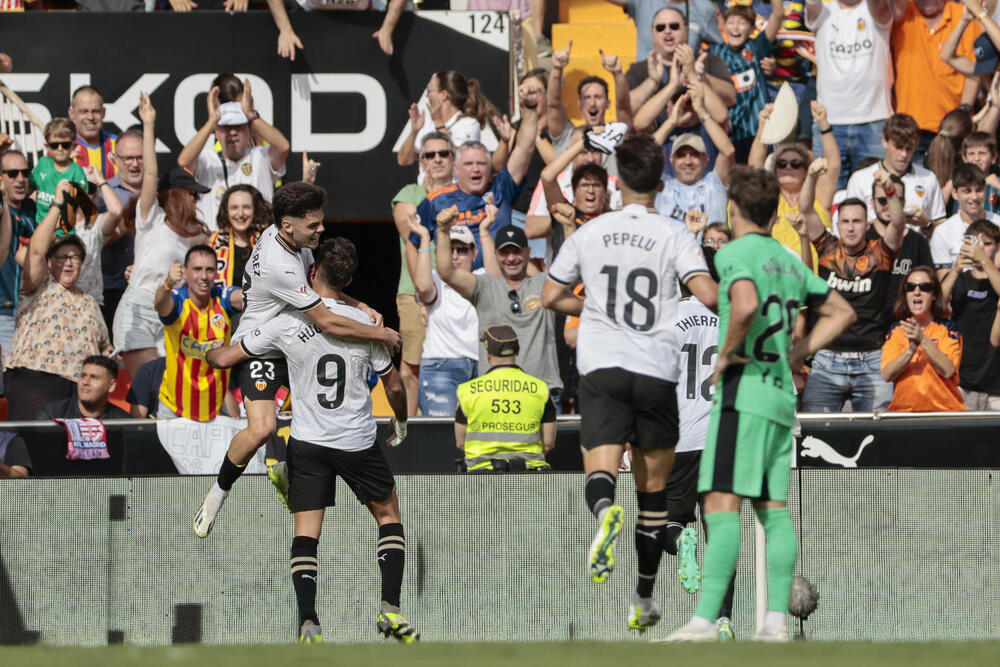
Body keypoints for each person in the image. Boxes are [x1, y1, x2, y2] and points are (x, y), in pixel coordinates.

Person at [665, 166, 855, 642]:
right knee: (773, 510)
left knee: (720, 505)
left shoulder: (733, 252)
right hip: (779, 395)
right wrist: (799, 353)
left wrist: (728, 353)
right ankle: (774, 622)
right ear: (775, 213)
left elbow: (745, 304)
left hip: (743, 392)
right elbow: (842, 312)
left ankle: (705, 622)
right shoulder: (789, 259)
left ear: (733, 209)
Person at [542, 134, 719, 633]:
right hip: (656, 371)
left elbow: (552, 295)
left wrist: (598, 309)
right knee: (655, 494)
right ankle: (644, 596)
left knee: (601, 469)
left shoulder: (590, 233)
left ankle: (603, 512)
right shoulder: (674, 234)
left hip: (602, 368)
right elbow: (707, 295)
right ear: (661, 185)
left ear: (616, 183)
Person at [206, 237, 417, 645]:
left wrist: (209, 353)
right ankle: (390, 608)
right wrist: (402, 421)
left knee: (306, 532)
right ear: (350, 279)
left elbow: (227, 357)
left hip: (308, 442)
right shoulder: (370, 329)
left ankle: (308, 622)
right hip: (355, 439)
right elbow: (393, 385)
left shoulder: (289, 320)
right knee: (389, 515)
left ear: (312, 273)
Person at [193, 182, 400, 539]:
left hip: (291, 336)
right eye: (314, 224)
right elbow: (326, 319)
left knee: (325, 404)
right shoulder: (279, 266)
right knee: (262, 428)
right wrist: (382, 333)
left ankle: (287, 464)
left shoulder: (294, 239)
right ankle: (217, 494)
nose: (321, 229)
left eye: (321, 221)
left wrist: (359, 305)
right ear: (288, 226)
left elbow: (320, 291)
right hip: (261, 343)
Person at [662, 247, 736, 640]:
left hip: (679, 438)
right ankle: (723, 618)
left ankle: (679, 539)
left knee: (664, 520)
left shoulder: (669, 320)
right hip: (722, 441)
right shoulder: (734, 321)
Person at [113, 94, 209, 379]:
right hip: (139, 307)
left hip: (172, 309)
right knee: (148, 384)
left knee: (171, 386)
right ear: (178, 194)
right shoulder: (151, 216)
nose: (196, 199)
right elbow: (151, 173)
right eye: (192, 193)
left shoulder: (198, 235)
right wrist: (149, 125)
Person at [799, 165, 906, 412]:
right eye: (845, 221)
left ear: (867, 224)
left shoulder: (881, 253)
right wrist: (812, 176)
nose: (850, 227)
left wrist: (890, 192)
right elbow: (805, 208)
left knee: (878, 438)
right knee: (817, 433)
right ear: (837, 224)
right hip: (827, 359)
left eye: (856, 221)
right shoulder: (827, 248)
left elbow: (898, 224)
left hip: (871, 359)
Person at [4, 186, 112, 421]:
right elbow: (35, 251)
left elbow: (105, 346)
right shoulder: (38, 285)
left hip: (78, 392)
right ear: (50, 262)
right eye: (62, 257)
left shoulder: (89, 302)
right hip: (36, 380)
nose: (69, 263)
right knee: (31, 451)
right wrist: (57, 206)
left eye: (75, 257)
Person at [437, 218, 563, 403]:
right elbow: (446, 272)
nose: (511, 258)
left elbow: (574, 270)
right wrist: (442, 230)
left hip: (542, 393)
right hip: (496, 396)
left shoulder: (545, 284)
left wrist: (567, 227)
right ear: (495, 254)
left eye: (516, 251)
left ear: (528, 252)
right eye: (504, 252)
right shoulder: (484, 286)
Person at [411, 100, 538, 268]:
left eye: (481, 164)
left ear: (490, 166)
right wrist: (422, 284)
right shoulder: (437, 200)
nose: (476, 169)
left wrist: (530, 108)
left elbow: (524, 149)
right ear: (456, 168)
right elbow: (413, 244)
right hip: (456, 284)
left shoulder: (501, 186)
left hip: (498, 280)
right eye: (468, 164)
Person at [392, 132, 457, 416]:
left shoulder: (465, 193)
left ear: (454, 160)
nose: (437, 159)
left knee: (457, 358)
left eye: (443, 153)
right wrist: (433, 197)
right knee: (412, 366)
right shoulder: (411, 194)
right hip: (414, 290)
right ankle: (411, 430)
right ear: (421, 162)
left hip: (456, 286)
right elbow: (409, 232)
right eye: (430, 155)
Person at [178, 79, 290, 228]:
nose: (232, 133)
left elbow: (283, 147)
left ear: (249, 129)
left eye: (238, 127)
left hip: (258, 245)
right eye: (225, 127)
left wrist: (250, 113)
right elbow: (184, 162)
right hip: (217, 246)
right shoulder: (207, 160)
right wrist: (211, 122)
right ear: (216, 132)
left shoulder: (260, 156)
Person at [806, 0, 894, 188]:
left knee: (875, 197)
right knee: (825, 200)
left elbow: (879, 7)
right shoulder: (823, 11)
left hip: (874, 122)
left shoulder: (875, 9)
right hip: (829, 124)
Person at [155, 246, 243, 421]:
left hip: (214, 406)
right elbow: (159, 304)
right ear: (185, 272)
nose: (204, 276)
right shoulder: (177, 300)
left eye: (209, 270)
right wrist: (168, 283)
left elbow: (248, 297)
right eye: (197, 269)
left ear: (216, 273)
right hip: (174, 407)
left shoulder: (223, 298)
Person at [409, 220, 486, 417]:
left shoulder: (483, 278)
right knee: (443, 438)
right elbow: (423, 289)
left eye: (461, 249)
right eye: (449, 249)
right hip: (441, 368)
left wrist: (484, 231)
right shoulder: (435, 279)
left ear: (474, 252)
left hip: (483, 368)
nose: (454, 256)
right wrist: (426, 239)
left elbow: (498, 273)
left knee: (481, 439)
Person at [454, 324, 556, 472]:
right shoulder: (540, 389)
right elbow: (548, 443)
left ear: (488, 354)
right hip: (529, 477)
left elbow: (460, 442)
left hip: (481, 477)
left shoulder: (468, 391)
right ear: (518, 352)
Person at [749, 102, 841, 264]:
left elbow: (833, 166)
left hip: (815, 280)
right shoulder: (768, 199)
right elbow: (754, 165)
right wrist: (763, 127)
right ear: (774, 169)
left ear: (805, 170)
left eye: (796, 163)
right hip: (778, 279)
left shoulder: (818, 196)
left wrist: (823, 125)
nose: (788, 167)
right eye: (782, 164)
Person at [892, 0, 981, 162]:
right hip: (910, 129)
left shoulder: (964, 15)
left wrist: (964, 112)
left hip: (952, 130)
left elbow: (974, 71)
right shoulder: (901, 13)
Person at [881, 266, 966, 412]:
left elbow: (948, 370)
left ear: (934, 295)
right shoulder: (897, 329)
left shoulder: (948, 328)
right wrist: (910, 351)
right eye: (911, 287)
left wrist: (922, 339)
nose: (917, 292)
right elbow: (887, 374)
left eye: (925, 287)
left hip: (944, 413)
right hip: (904, 414)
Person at [709, 0, 784, 162]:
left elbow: (778, 15)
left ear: (752, 29)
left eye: (742, 23)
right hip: (729, 133)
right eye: (731, 22)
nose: (735, 28)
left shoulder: (757, 47)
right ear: (723, 25)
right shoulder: (714, 53)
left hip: (758, 132)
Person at [846, 113, 948, 231]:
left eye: (909, 148)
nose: (904, 155)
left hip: (915, 247)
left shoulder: (928, 178)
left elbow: (942, 230)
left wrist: (926, 223)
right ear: (885, 141)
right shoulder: (860, 179)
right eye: (898, 147)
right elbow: (849, 226)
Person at [625, 7, 736, 114]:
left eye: (674, 26)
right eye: (660, 28)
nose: (667, 31)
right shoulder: (638, 69)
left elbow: (731, 99)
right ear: (652, 33)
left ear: (686, 30)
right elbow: (627, 111)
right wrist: (652, 82)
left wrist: (701, 77)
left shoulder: (708, 60)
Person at [941, 220, 1000, 409]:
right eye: (976, 244)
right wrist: (956, 268)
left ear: (997, 247)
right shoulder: (959, 279)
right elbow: (935, 305)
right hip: (962, 380)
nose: (980, 250)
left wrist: (984, 260)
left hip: (996, 383)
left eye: (987, 244)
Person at [396, 71, 490, 170]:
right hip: (425, 185)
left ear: (444, 95)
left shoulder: (469, 124)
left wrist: (439, 123)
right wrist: (414, 131)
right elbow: (403, 160)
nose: (427, 96)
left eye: (429, 91)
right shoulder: (428, 123)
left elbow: (461, 159)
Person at [100, 129, 142, 332]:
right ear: (115, 159)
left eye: (140, 157)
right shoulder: (102, 194)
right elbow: (92, 240)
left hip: (149, 290)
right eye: (128, 158)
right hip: (110, 290)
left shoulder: (162, 193)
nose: (134, 164)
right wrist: (128, 222)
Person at [931, 164, 1000, 276]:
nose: (974, 197)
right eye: (967, 191)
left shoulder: (998, 223)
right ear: (955, 194)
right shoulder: (942, 232)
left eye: (979, 190)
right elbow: (943, 283)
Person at [0, 149, 36, 357]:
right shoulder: (2, 209)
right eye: (12, 174)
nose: (20, 179)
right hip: (4, 314)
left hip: (31, 315)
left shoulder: (32, 208)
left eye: (25, 172)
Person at [210, 184, 270, 289]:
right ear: (226, 211)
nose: (240, 213)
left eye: (246, 207)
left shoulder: (268, 241)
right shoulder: (212, 243)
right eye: (234, 208)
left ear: (255, 209)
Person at [30, 117, 88, 224]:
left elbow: (83, 203)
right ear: (47, 146)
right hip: (39, 226)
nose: (60, 149)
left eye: (65, 145)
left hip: (64, 231)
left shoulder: (77, 171)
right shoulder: (43, 163)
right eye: (54, 145)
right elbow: (29, 187)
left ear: (73, 146)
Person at [37, 355, 130, 420]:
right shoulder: (53, 414)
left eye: (94, 377)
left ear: (111, 386)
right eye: (83, 376)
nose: (85, 382)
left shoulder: (123, 422)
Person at [69, 85, 117, 180]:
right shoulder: (61, 148)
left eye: (95, 111)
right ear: (72, 113)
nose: (90, 117)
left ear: (103, 113)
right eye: (84, 111)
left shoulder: (119, 146)